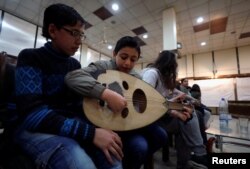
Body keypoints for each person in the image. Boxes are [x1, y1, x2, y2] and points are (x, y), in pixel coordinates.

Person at [14, 3, 123, 169]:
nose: (79, 41)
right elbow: (32, 116)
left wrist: (99, 125)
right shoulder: (30, 57)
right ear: (52, 31)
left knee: (113, 157)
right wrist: (91, 133)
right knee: (79, 162)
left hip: (65, 123)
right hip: (31, 129)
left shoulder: (74, 65)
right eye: (74, 33)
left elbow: (78, 106)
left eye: (81, 35)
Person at [65, 36, 167, 169]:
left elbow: (141, 104)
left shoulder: (136, 77)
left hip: (125, 124)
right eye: (123, 57)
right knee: (140, 146)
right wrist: (105, 93)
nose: (127, 64)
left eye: (133, 60)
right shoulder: (102, 67)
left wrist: (170, 109)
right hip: (100, 122)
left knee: (160, 136)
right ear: (114, 54)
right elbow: (73, 77)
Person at [141, 50, 208, 169]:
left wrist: (188, 99)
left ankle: (192, 157)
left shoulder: (163, 77)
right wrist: (173, 108)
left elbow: (173, 93)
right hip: (150, 117)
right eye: (174, 65)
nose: (174, 69)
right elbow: (146, 101)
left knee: (189, 114)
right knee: (187, 119)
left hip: (161, 113)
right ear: (168, 64)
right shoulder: (152, 74)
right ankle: (198, 153)